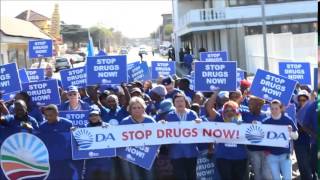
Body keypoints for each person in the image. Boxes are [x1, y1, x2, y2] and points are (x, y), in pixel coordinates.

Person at [165, 93, 201, 180]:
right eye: (177, 101)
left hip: (191, 152)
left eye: (181, 101)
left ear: (185, 102)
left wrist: (199, 123)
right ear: (174, 103)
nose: (179, 103)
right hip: (176, 153)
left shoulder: (193, 114)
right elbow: (164, 133)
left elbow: (200, 131)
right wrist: (162, 124)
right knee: (180, 176)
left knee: (192, 176)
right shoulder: (169, 116)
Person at [119, 97, 156, 180]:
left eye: (139, 107)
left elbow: (158, 137)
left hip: (147, 154)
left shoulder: (150, 120)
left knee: (150, 177)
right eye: (134, 108)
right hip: (131, 154)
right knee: (135, 177)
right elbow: (119, 140)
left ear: (143, 108)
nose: (137, 110)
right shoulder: (124, 122)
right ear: (130, 109)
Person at [263, 99, 298, 180]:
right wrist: (255, 125)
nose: (274, 111)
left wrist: (290, 132)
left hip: (284, 155)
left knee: (287, 178)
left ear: (281, 109)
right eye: (272, 108)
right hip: (271, 155)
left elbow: (296, 136)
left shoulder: (287, 120)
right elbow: (261, 135)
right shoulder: (266, 122)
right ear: (269, 109)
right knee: (276, 178)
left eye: (276, 108)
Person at [215, 101, 248, 180]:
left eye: (232, 110)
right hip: (223, 158)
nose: (229, 113)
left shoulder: (243, 124)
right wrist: (198, 123)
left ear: (236, 111)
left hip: (240, 158)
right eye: (227, 111)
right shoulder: (217, 123)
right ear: (223, 112)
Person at [39, 104, 74, 180]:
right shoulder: (42, 126)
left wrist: (75, 132)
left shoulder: (68, 124)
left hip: (66, 161)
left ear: (57, 113)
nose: (48, 118)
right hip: (50, 162)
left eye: (50, 115)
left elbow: (74, 140)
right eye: (46, 115)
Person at [242, 96, 272, 180]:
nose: (249, 106)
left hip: (266, 150)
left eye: (251, 104)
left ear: (258, 106)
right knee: (257, 174)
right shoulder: (245, 115)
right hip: (252, 150)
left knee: (266, 174)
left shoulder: (267, 115)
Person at [84, 106, 112, 180]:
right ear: (89, 117)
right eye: (91, 115)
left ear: (99, 116)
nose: (94, 117)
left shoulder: (108, 126)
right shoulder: (84, 128)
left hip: (104, 162)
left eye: (96, 115)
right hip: (90, 162)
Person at [294, 90, 314, 180]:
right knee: (303, 164)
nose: (302, 102)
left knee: (311, 164)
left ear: (307, 100)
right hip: (299, 142)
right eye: (300, 100)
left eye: (304, 100)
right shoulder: (295, 111)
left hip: (312, 141)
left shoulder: (313, 110)